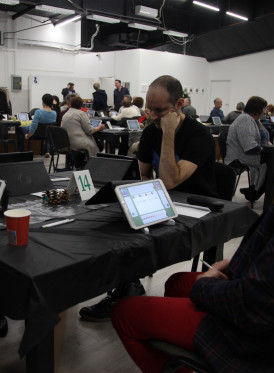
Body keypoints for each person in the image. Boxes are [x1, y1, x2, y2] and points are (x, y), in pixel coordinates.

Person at [112, 20, 274, 373]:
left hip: (264, 339)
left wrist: (213, 285)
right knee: (177, 284)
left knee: (127, 313)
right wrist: (242, 265)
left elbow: (256, 306)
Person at [79, 75, 217, 322]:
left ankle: (128, 286)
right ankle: (127, 286)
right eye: (149, 110)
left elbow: (170, 180)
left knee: (136, 235)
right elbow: (142, 175)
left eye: (160, 111)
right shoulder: (152, 131)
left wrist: (168, 132)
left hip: (196, 208)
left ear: (179, 104)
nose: (152, 116)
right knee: (116, 224)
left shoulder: (199, 136)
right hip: (164, 200)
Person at [224, 96, 269, 202]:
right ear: (258, 109)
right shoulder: (245, 119)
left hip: (244, 155)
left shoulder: (252, 120)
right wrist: (264, 150)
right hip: (238, 158)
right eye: (264, 109)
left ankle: (254, 190)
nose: (265, 112)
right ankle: (254, 192)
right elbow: (249, 146)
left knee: (271, 162)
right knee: (271, 164)